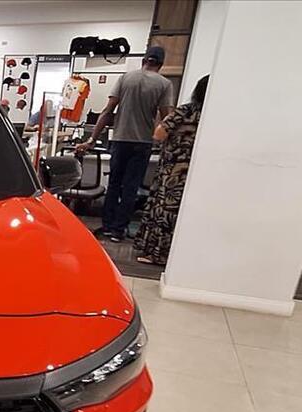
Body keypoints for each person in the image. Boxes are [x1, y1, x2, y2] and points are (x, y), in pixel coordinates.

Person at [76, 46, 174, 242]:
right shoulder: (164, 84)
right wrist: (167, 144)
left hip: (120, 140)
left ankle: (107, 226)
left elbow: (107, 111)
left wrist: (92, 139)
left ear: (144, 60)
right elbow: (167, 118)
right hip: (142, 142)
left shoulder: (125, 78)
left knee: (114, 184)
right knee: (130, 187)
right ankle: (118, 231)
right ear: (161, 64)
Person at [133, 75, 209, 265]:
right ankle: (173, 255)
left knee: (163, 210)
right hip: (196, 168)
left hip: (173, 168)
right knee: (180, 212)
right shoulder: (212, 116)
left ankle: (156, 253)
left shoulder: (186, 111)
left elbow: (159, 134)